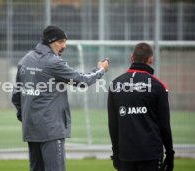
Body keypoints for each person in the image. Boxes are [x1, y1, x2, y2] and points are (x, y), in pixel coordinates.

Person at [12, 25, 109, 171]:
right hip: (51, 129)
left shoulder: (26, 59)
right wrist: (101, 69)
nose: (64, 45)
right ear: (51, 41)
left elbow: (16, 95)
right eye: (61, 41)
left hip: (31, 128)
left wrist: (24, 116)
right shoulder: (53, 62)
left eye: (65, 41)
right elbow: (82, 81)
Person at [107, 42, 174, 171]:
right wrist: (170, 154)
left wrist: (116, 154)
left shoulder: (115, 85)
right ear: (150, 59)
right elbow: (164, 124)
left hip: (126, 154)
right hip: (151, 154)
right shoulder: (158, 86)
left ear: (132, 57)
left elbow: (113, 124)